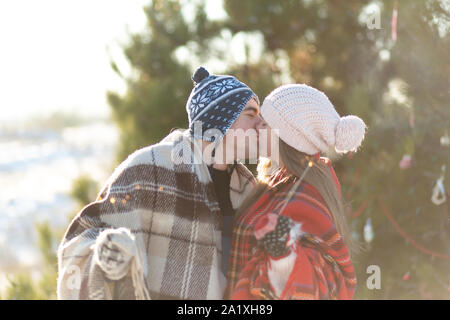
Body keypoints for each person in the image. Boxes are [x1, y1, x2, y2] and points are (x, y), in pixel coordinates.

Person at [57, 66, 267, 300]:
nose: (262, 123)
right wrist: (108, 256)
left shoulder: (247, 188)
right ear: (220, 121)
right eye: (251, 114)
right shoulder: (150, 169)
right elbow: (82, 240)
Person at [226, 84, 367, 300]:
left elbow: (308, 279)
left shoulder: (303, 194)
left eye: (266, 123)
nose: (258, 126)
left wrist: (282, 256)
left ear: (289, 138)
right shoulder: (277, 182)